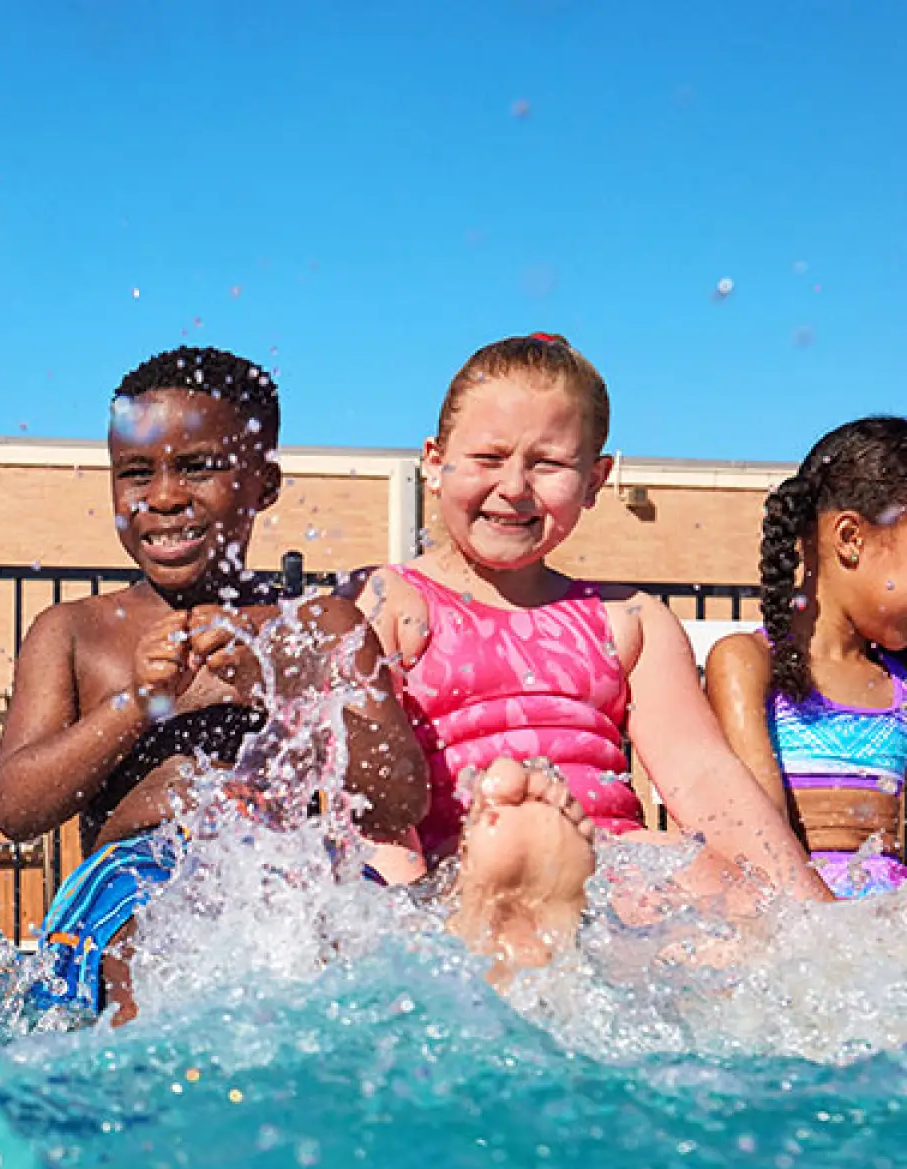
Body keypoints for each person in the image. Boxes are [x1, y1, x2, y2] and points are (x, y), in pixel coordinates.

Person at [354, 332, 829, 975]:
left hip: (612, 881)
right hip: (462, 872)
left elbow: (707, 781)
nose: (515, 486)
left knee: (721, 880)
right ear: (435, 463)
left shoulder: (628, 620)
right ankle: (517, 889)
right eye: (489, 456)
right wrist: (401, 911)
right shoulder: (392, 603)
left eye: (548, 464)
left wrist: (814, 919)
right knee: (495, 865)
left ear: (595, 480)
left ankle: (548, 901)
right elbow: (371, 793)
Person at [0, 347, 428, 1023]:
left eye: (197, 467)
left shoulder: (318, 625)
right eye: (136, 473)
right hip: (132, 880)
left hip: (293, 862)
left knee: (358, 947)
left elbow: (400, 797)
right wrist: (136, 705)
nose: (163, 496)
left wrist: (280, 686)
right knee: (152, 942)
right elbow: (16, 808)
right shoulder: (73, 631)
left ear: (264, 483)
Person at [704, 417, 907, 899]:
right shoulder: (748, 664)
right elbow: (764, 847)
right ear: (851, 538)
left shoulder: (900, 685)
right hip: (804, 925)